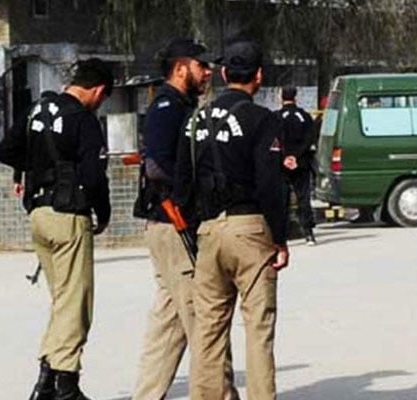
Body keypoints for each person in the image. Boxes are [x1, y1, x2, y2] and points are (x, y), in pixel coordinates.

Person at [174, 39, 289, 400]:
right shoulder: (260, 119)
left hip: (208, 229)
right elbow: (271, 183)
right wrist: (280, 238)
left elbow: (181, 187)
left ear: (223, 74)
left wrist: (197, 227)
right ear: (259, 76)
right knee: (258, 326)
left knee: (208, 328)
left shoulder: (195, 120)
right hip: (250, 226)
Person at [0, 58, 114, 400]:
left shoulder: (37, 109)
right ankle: (66, 385)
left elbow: (6, 150)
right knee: (76, 302)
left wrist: (32, 167)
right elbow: (93, 176)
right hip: (69, 217)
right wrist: (102, 213)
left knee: (62, 299)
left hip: (39, 215)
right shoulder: (83, 119)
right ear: (98, 90)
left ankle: (46, 383)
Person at [130, 37, 239, 400]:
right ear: (181, 68)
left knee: (170, 321)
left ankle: (147, 394)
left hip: (169, 224)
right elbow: (158, 165)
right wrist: (192, 196)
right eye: (201, 65)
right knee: (205, 319)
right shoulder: (168, 106)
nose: (207, 72)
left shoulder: (182, 104)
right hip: (174, 222)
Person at [276, 85, 317, 245]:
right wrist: (296, 156)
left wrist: (286, 157)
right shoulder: (305, 116)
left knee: (282, 199)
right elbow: (309, 140)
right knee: (303, 197)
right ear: (296, 97)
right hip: (302, 163)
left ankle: (282, 235)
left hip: (282, 164)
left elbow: (276, 140)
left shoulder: (276, 117)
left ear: (281, 97)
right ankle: (308, 233)